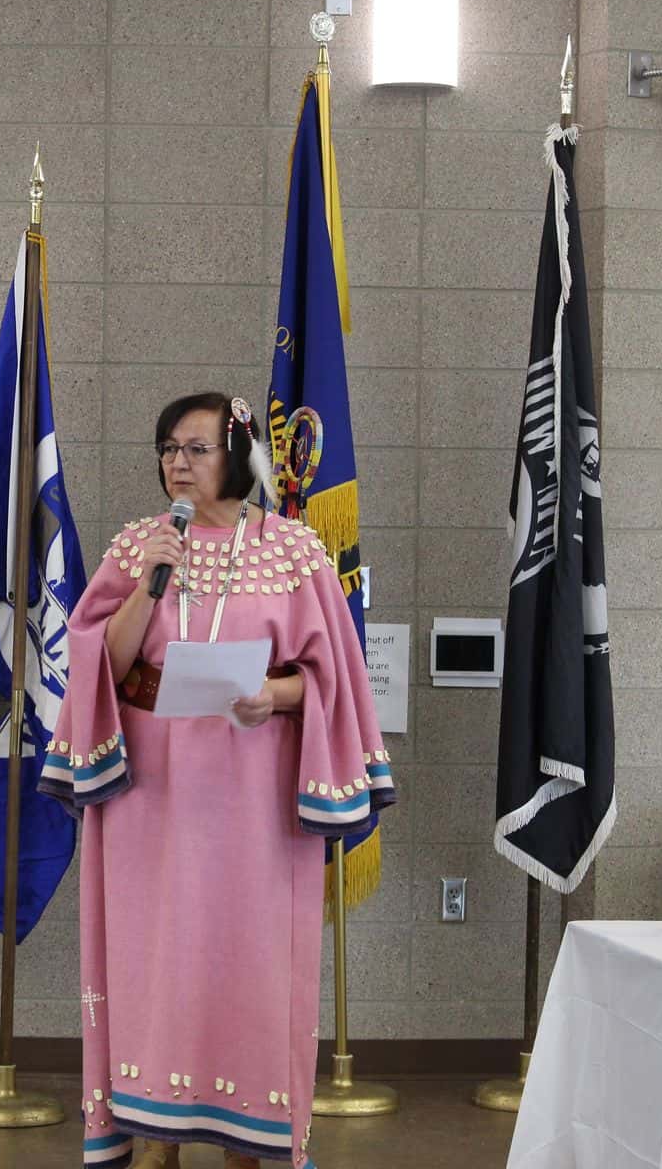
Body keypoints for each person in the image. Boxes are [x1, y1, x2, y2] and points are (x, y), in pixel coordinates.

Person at [39, 393, 395, 1169]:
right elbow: (104, 661)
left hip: (255, 806)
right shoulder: (140, 545)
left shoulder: (296, 552)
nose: (178, 462)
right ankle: (157, 1146)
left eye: (196, 449)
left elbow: (336, 679)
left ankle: (244, 1148)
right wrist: (147, 587)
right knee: (156, 966)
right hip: (151, 805)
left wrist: (276, 694)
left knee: (248, 970)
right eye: (169, 448)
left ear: (234, 455)